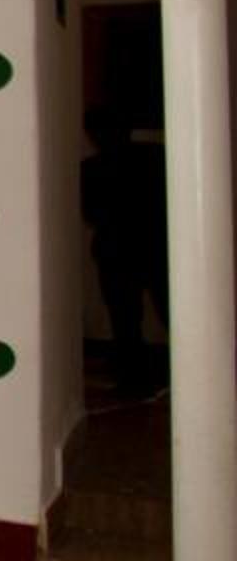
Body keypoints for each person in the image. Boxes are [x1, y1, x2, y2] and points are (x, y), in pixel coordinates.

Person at [81, 105, 168, 400]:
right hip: (154, 245)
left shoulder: (91, 169)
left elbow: (90, 213)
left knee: (125, 319)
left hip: (116, 250)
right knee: (167, 311)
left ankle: (134, 377)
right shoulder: (155, 157)